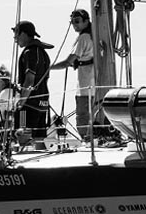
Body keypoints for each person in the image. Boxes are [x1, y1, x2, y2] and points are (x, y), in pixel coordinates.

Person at [51, 8, 95, 142]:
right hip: (95, 82)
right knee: (92, 113)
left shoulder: (83, 37)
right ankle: (94, 138)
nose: (74, 25)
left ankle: (87, 140)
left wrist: (48, 69)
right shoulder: (94, 35)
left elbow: (67, 62)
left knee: (82, 115)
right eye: (72, 22)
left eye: (77, 21)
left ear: (86, 21)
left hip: (86, 84)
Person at [12, 20, 54, 145]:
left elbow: (29, 80)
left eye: (16, 34)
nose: (15, 38)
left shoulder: (29, 52)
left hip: (29, 104)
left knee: (24, 139)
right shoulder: (43, 53)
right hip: (43, 102)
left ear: (24, 34)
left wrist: (21, 102)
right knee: (39, 140)